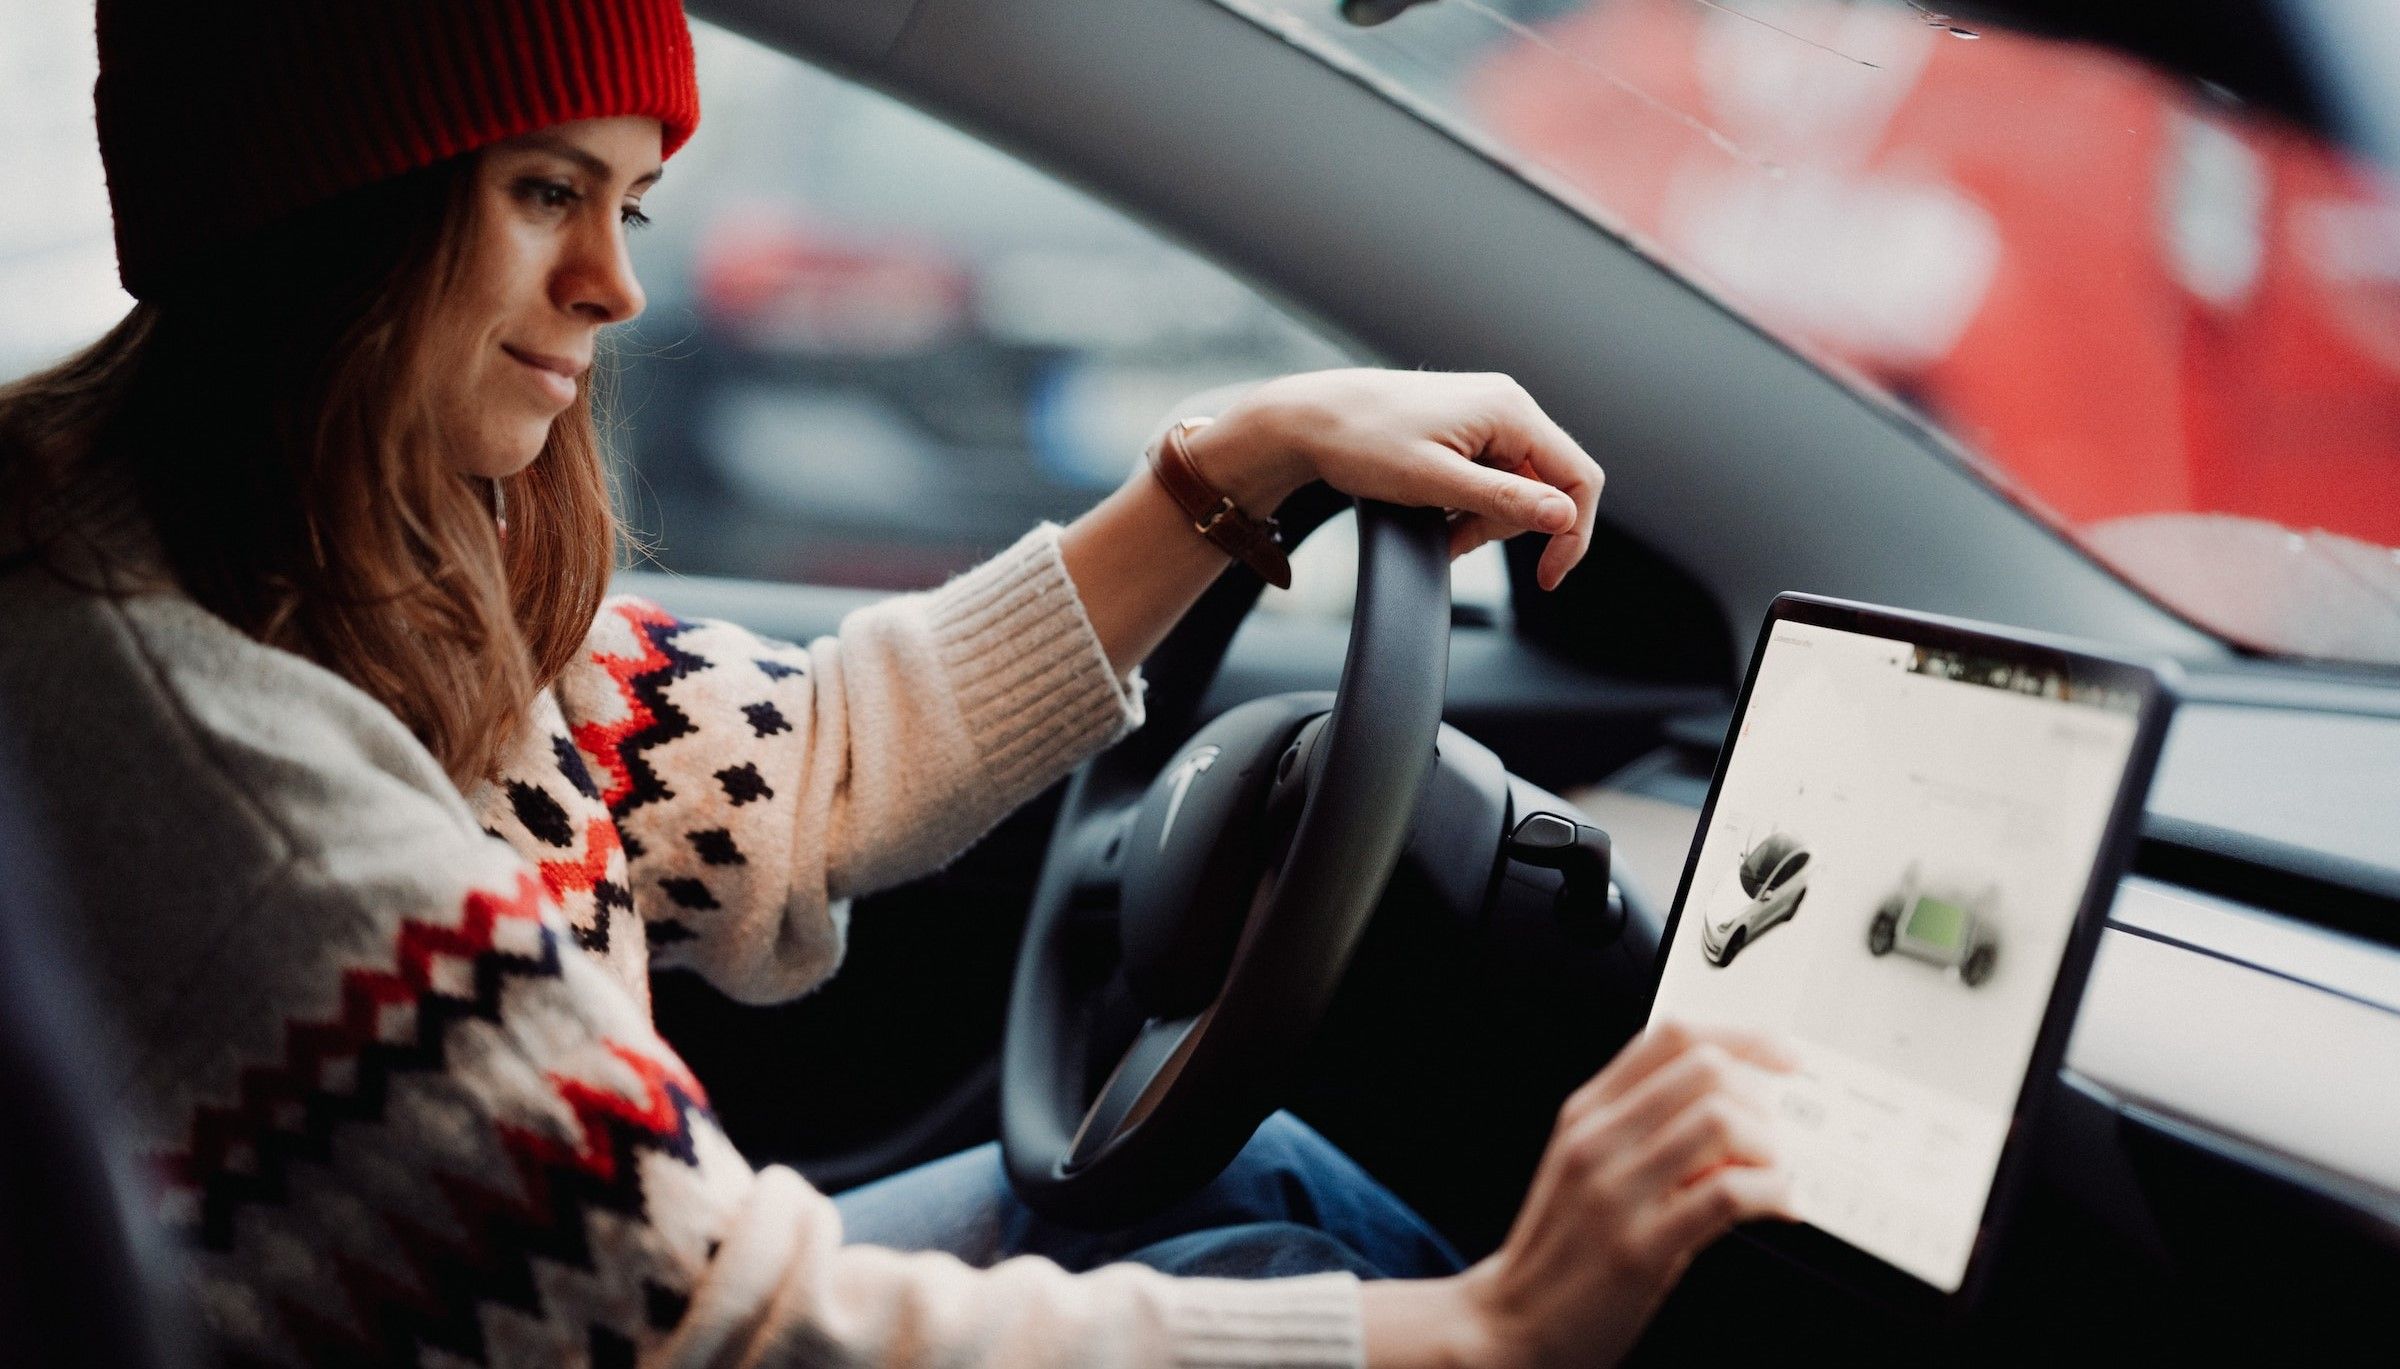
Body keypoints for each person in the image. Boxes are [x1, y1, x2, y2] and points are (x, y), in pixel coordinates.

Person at [0, 2, 1794, 1364]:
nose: (615, 281)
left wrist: (1227, 466)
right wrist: (1486, 1332)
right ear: (332, 210)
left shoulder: (314, 557)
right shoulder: (226, 772)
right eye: (549, 190)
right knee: (1323, 1277)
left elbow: (808, 768)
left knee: (1280, 1192)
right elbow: (744, 1331)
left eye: (631, 200)